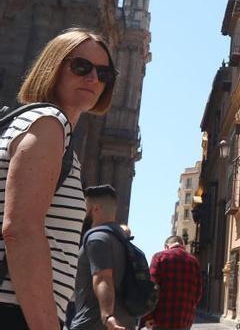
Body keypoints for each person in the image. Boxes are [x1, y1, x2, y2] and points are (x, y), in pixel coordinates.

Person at [0, 28, 117, 329]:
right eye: (81, 67)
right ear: (53, 66)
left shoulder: (39, 126)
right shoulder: (49, 125)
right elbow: (21, 230)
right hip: (15, 311)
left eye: (104, 73)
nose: (93, 78)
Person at [70, 185, 133, 330]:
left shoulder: (97, 238)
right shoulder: (122, 239)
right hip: (123, 321)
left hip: (92, 323)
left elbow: (103, 278)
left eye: (85, 207)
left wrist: (107, 316)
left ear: (96, 209)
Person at [140, 235, 202, 330]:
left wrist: (148, 316)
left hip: (162, 319)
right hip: (185, 321)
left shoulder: (160, 257)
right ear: (183, 245)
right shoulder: (194, 262)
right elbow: (198, 293)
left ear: (166, 246)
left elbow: (151, 288)